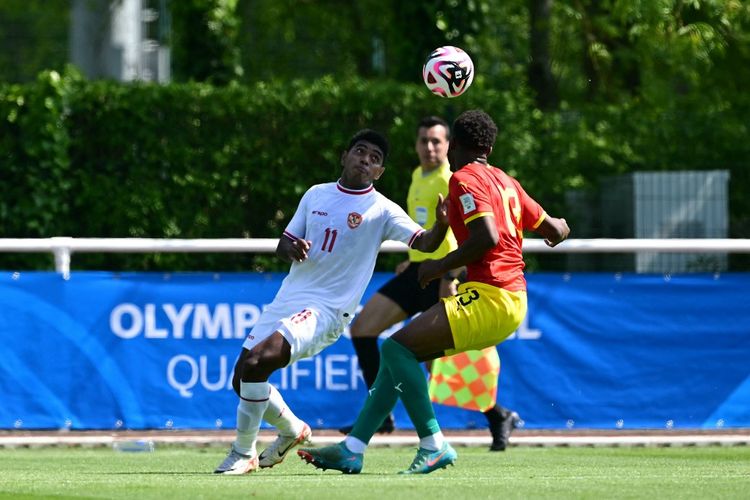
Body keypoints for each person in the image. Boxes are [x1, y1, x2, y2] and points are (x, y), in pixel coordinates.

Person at [298, 109, 570, 474]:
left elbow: (486, 237)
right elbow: (554, 229)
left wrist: (437, 267)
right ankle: (353, 447)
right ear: (490, 146)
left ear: (454, 145)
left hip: (491, 295)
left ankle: (433, 443)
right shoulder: (506, 181)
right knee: (398, 356)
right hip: (510, 297)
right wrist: (560, 228)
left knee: (396, 349)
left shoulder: (463, 179)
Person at [213, 128, 450, 475]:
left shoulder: (382, 210)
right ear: (345, 156)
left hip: (327, 310)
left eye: (375, 159)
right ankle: (293, 430)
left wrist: (442, 226)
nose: (365, 160)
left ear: (379, 172)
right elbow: (285, 242)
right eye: (360, 152)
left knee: (257, 364)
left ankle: (243, 452)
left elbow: (425, 243)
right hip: (289, 297)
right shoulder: (316, 195)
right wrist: (290, 247)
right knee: (242, 378)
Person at [342, 116, 520, 451]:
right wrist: (413, 259)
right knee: (363, 328)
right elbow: (430, 231)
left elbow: (468, 235)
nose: (429, 147)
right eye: (423, 140)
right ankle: (380, 416)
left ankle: (497, 415)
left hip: (445, 276)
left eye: (436, 141)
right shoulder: (417, 176)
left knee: (437, 363)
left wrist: (450, 278)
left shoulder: (454, 177)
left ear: (449, 145)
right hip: (420, 271)